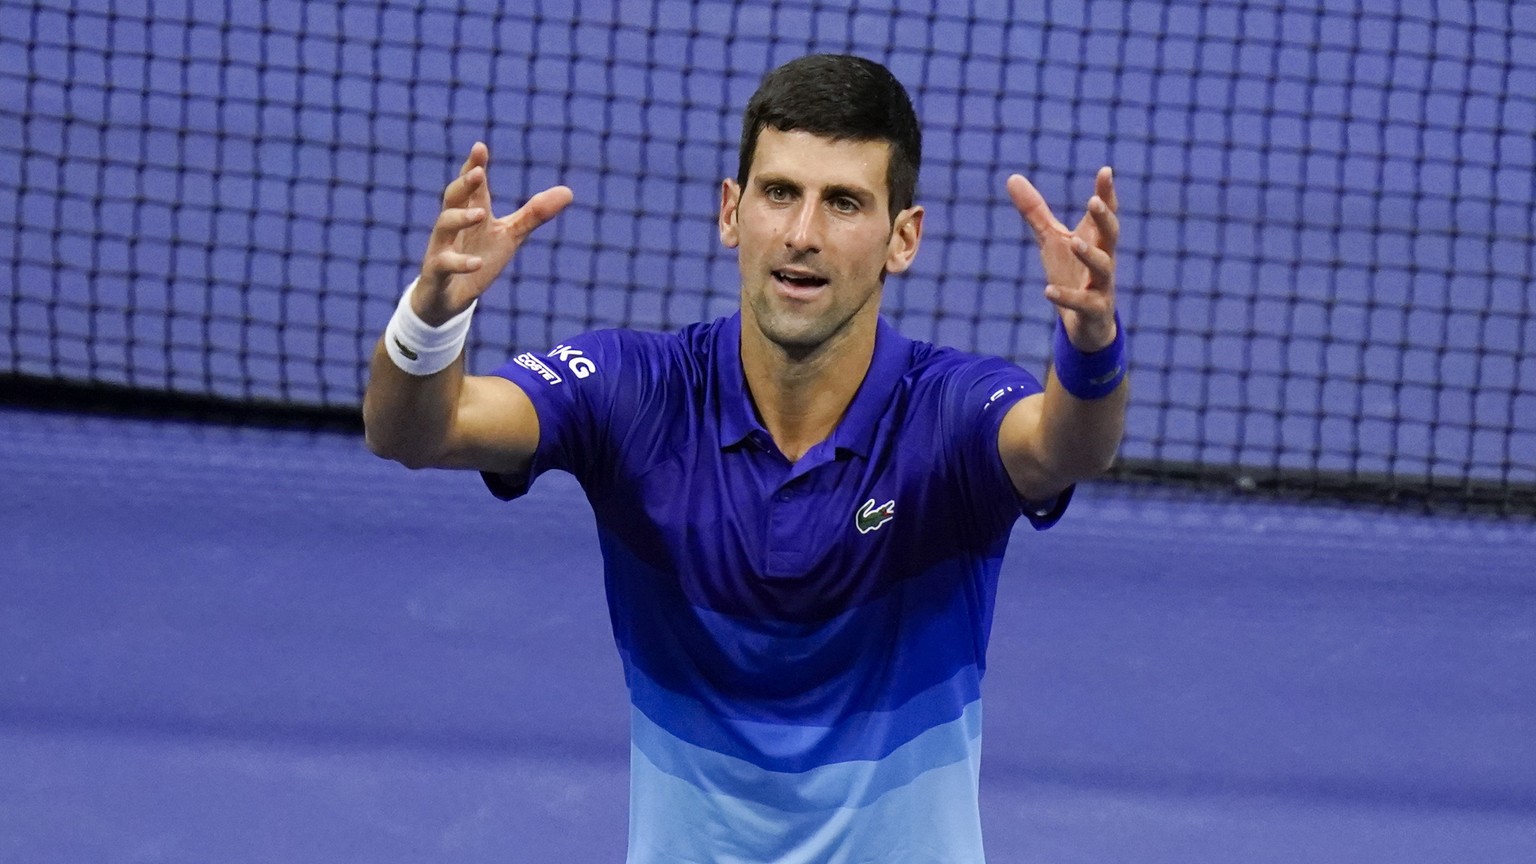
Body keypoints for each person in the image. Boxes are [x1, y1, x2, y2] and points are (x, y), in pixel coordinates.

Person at [364, 53, 1126, 864]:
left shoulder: (949, 413)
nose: (802, 235)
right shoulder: (634, 394)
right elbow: (414, 432)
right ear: (732, 212)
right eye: (778, 194)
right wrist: (432, 316)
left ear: (903, 237)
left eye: (843, 203)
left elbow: (1067, 444)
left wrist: (1090, 346)